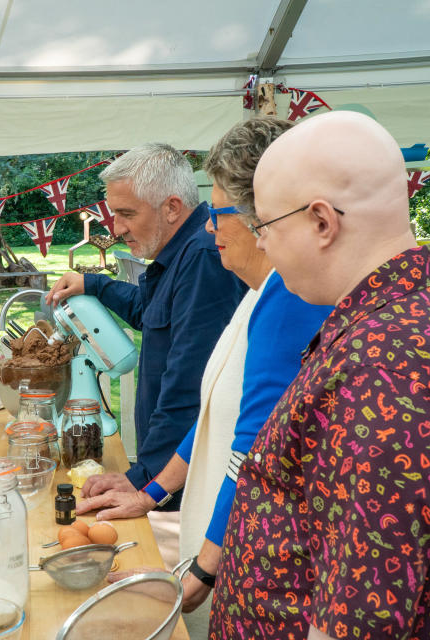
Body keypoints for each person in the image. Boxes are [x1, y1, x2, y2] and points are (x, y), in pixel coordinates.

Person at [209, 111, 430, 639]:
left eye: (266, 227)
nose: (261, 244)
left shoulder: (384, 363)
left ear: (322, 222)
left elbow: (360, 612)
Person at [76, 118, 331, 638]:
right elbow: (215, 409)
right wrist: (150, 491)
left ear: (265, 218)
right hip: (231, 540)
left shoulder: (285, 294)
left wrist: (200, 570)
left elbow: (249, 448)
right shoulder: (261, 292)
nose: (209, 227)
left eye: (216, 214)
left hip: (260, 556)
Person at [45, 143, 246, 512]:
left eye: (126, 214)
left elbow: (189, 386)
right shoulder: (182, 251)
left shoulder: (202, 258)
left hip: (185, 487)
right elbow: (150, 311)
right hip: (169, 474)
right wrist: (94, 284)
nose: (116, 228)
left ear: (171, 208)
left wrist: (144, 480)